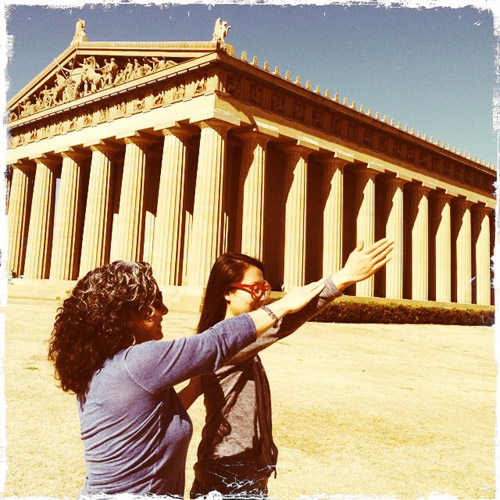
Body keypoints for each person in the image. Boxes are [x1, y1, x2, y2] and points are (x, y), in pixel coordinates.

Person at [47, 260, 328, 497]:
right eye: (154, 304)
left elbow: (148, 424)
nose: (164, 311)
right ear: (127, 315)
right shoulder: (140, 362)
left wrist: (194, 390)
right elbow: (218, 340)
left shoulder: (102, 368)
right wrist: (283, 306)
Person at [189, 238, 393, 499]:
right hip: (228, 472)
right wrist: (343, 278)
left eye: (265, 288)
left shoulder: (235, 341)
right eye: (254, 289)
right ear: (227, 292)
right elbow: (283, 324)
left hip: (242, 471)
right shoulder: (222, 342)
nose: (262, 297)